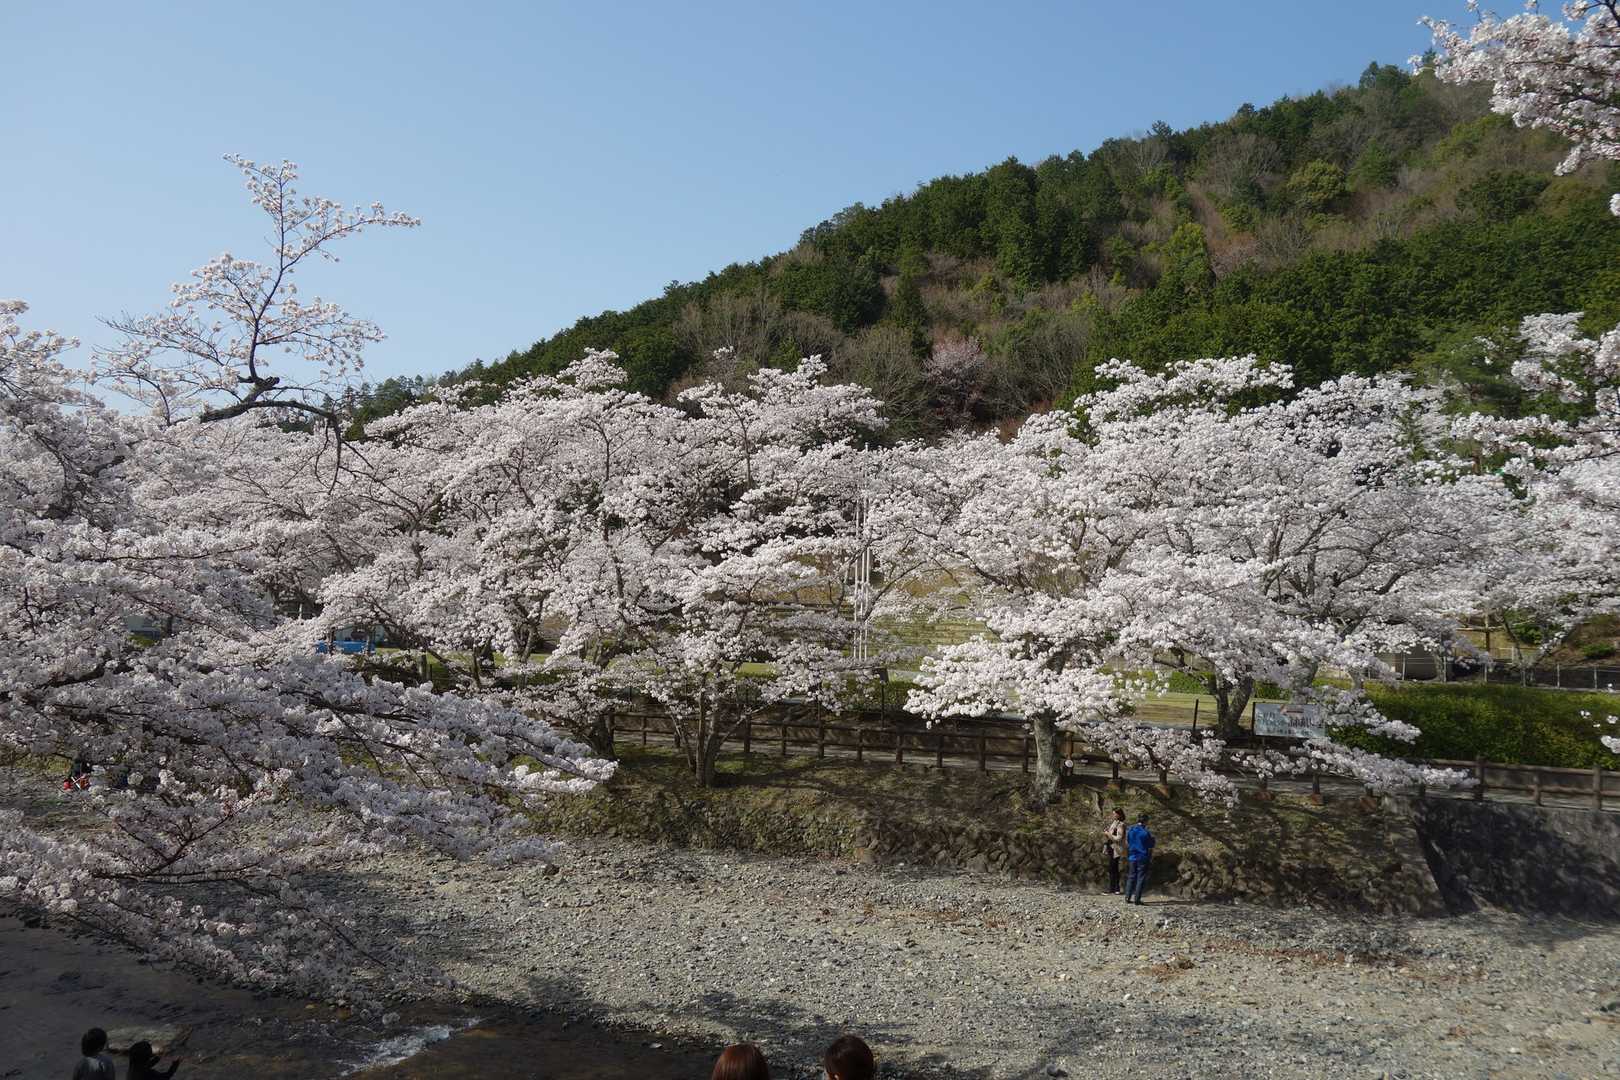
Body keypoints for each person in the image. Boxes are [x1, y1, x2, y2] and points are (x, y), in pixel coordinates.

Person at [1124, 812, 1155, 904]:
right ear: (1146, 821)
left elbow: (1128, 841)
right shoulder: (1145, 833)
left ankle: (1127, 897)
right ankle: (1137, 899)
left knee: (1131, 876)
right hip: (1142, 856)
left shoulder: (1131, 830)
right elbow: (1151, 845)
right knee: (1140, 877)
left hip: (1132, 856)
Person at [1103, 807, 1126, 894]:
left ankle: (1114, 889)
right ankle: (1115, 888)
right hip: (1111, 847)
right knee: (1112, 868)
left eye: (1114, 814)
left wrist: (1108, 834)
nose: (1113, 815)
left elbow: (1118, 838)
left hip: (1116, 848)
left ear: (1119, 815)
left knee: (1113, 868)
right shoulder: (1114, 823)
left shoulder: (1121, 825)